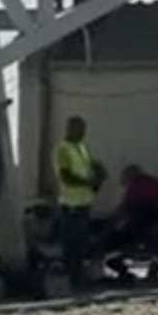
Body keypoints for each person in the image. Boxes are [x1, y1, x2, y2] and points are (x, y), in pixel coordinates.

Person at [53, 115, 104, 288]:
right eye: (79, 129)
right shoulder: (62, 149)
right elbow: (66, 176)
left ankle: (79, 276)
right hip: (71, 204)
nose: (82, 133)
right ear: (69, 129)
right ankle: (72, 278)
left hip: (84, 203)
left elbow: (91, 165)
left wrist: (98, 173)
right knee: (71, 244)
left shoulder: (82, 147)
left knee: (81, 243)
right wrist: (88, 182)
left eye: (83, 129)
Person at [101, 165, 158, 281]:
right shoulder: (154, 183)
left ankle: (121, 270)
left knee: (115, 241)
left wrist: (109, 228)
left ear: (129, 176)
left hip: (152, 223)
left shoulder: (137, 186)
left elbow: (124, 209)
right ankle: (152, 272)